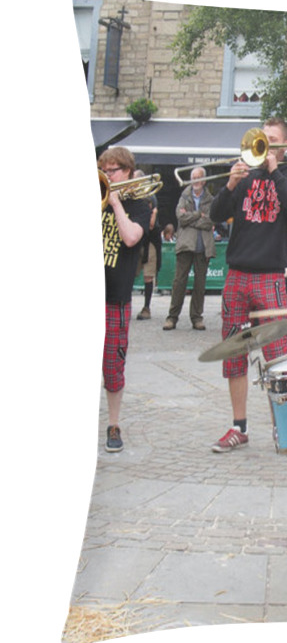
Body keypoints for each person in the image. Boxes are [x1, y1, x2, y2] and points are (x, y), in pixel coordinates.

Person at [208, 117, 287, 453]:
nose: (265, 143)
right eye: (262, 138)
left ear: (283, 145)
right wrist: (231, 185)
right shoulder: (243, 172)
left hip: (269, 275)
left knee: (277, 355)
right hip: (237, 273)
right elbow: (216, 215)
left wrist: (273, 170)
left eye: (273, 139)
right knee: (235, 353)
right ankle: (239, 427)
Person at [98, 147, 150, 453]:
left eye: (113, 170)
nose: (108, 175)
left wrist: (115, 201)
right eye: (104, 170)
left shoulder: (140, 205)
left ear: (128, 172)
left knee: (113, 366)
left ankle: (113, 424)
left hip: (115, 297)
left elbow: (130, 237)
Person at [163, 167, 216, 331]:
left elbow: (210, 221)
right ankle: (172, 317)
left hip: (203, 246)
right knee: (179, 282)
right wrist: (199, 215)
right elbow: (180, 217)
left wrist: (191, 217)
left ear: (204, 180)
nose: (196, 181)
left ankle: (197, 317)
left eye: (199, 177)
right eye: (194, 177)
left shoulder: (211, 199)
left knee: (200, 285)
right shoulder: (184, 195)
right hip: (186, 245)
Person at [134, 173, 162, 320]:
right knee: (129, 272)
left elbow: (151, 225)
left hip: (149, 240)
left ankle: (146, 307)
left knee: (148, 275)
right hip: (135, 238)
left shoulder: (150, 196)